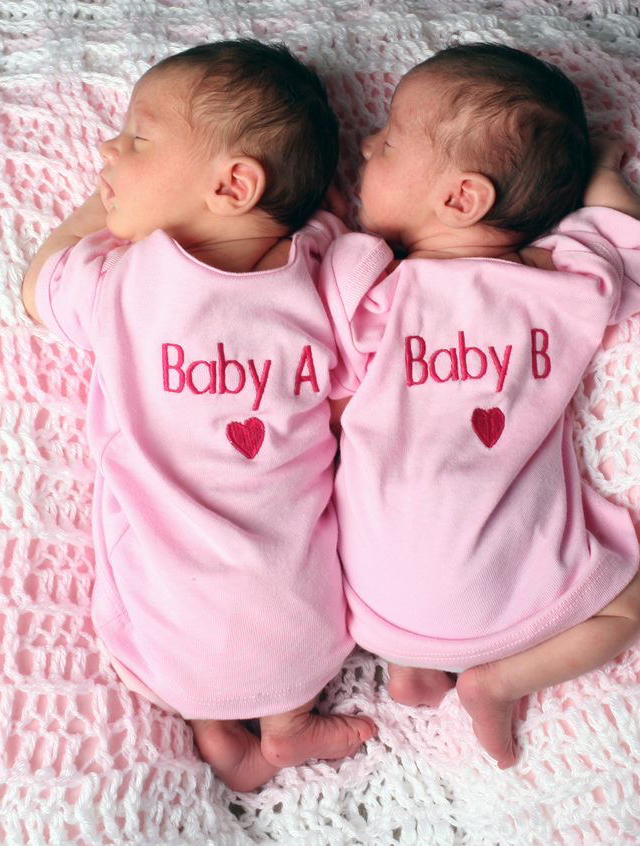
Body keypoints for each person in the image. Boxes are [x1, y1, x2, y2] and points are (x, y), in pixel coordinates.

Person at [319, 43, 640, 769]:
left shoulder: (382, 296)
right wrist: (602, 177)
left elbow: (324, 365)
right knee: (632, 604)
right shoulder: (562, 285)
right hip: (511, 590)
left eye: (388, 141)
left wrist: (333, 229)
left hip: (372, 603)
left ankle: (412, 663)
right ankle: (498, 680)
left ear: (461, 198)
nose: (366, 146)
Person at [21, 40, 375, 793]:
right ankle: (287, 726)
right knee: (289, 602)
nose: (108, 150)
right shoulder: (321, 277)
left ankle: (214, 725)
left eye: (137, 138)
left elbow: (39, 282)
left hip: (162, 633)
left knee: (181, 635)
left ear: (234, 183)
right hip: (306, 621)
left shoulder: (127, 284)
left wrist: (103, 207)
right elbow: (350, 398)